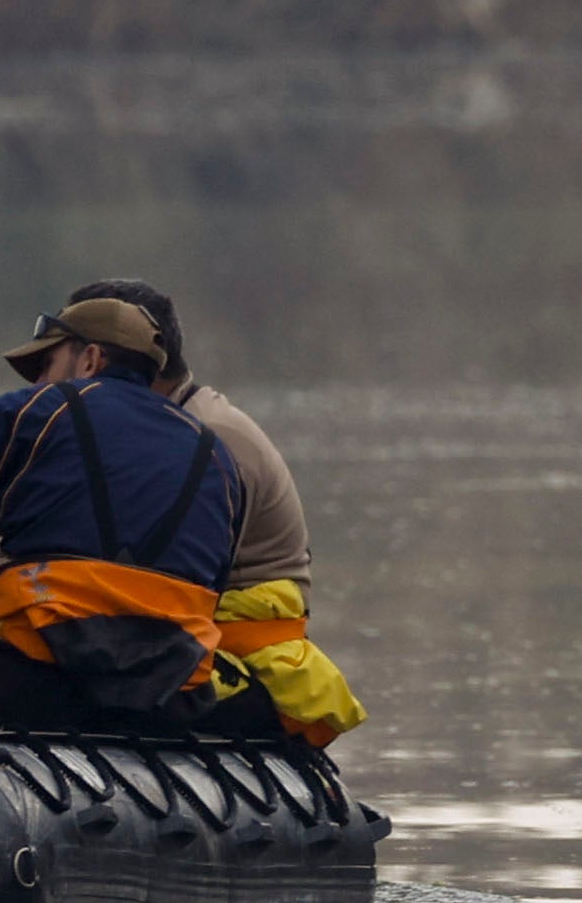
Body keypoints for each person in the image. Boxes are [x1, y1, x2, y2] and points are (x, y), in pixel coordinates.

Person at [54, 278, 362, 749]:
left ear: (102, 359)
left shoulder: (205, 440)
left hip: (237, 661)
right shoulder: (170, 422)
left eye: (59, 358)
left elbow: (152, 581)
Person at [0, 295, 245, 731]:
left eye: (46, 366)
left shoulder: (38, 411)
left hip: (30, 681)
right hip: (167, 699)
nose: (38, 383)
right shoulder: (216, 455)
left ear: (89, 359)